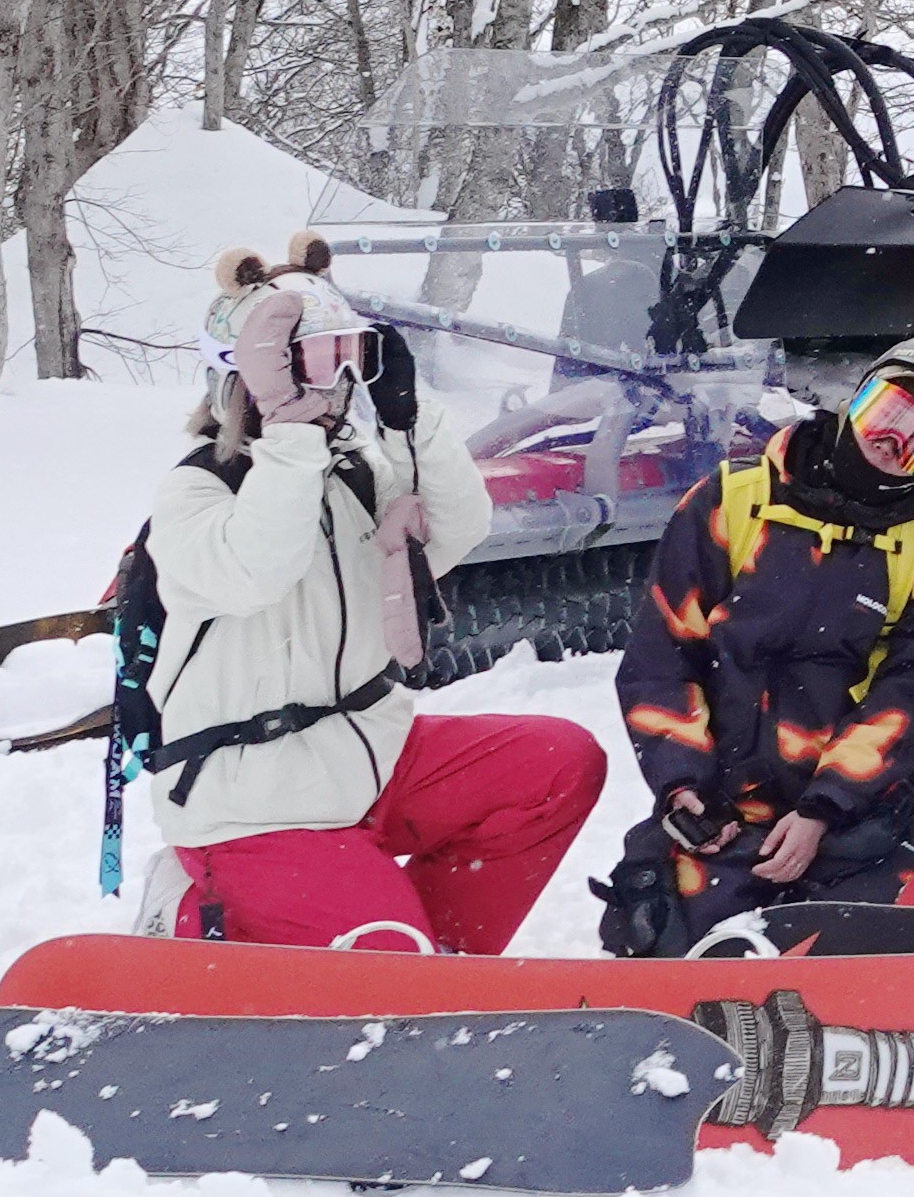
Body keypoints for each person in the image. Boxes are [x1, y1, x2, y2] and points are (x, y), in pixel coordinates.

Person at [132, 262, 599, 951]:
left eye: (351, 354)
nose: (340, 382)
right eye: (320, 360)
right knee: (381, 951)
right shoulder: (198, 493)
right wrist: (289, 435)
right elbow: (259, 569)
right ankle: (196, 908)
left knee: (558, 764)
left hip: (365, 756)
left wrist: (410, 423)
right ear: (248, 374)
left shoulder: (344, 467)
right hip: (250, 800)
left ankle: (435, 968)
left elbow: (454, 532)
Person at [602, 339, 914, 947]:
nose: (889, 443)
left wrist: (824, 809)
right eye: (887, 415)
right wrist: (683, 787)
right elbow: (664, 656)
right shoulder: (731, 501)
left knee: (872, 981)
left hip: (851, 821)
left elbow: (913, 698)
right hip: (719, 811)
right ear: (856, 401)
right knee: (666, 951)